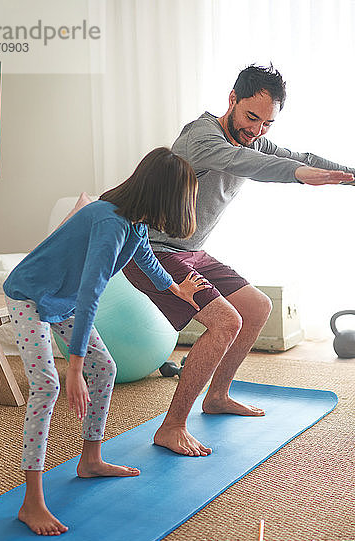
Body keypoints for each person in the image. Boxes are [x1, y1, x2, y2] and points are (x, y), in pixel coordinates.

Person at [120, 64, 355, 458]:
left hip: (190, 250)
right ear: (232, 99)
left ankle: (218, 396)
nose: (258, 130)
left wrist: (347, 174)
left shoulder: (255, 139)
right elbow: (247, 164)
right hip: (152, 249)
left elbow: (298, 154)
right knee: (225, 322)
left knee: (256, 307)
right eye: (251, 117)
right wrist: (299, 174)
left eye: (267, 122)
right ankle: (172, 426)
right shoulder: (202, 137)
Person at [3, 147, 209, 536]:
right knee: (47, 386)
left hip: (61, 298)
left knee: (107, 368)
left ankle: (91, 460)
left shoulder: (135, 223)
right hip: (28, 294)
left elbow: (145, 257)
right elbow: (91, 293)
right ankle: (31, 502)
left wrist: (175, 288)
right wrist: (74, 367)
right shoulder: (109, 221)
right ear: (164, 195)